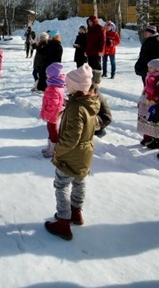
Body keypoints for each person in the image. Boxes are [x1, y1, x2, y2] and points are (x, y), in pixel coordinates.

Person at [44, 64, 100, 241]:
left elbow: (71, 137)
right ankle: (76, 212)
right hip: (84, 154)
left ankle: (63, 221)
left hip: (71, 154)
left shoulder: (77, 108)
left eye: (68, 84)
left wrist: (58, 152)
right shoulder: (90, 103)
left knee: (61, 185)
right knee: (79, 181)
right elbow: (95, 124)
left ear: (75, 87)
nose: (65, 86)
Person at [137, 59, 159, 149]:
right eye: (148, 67)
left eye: (151, 68)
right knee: (145, 118)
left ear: (157, 69)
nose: (149, 69)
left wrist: (156, 96)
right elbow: (145, 88)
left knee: (154, 120)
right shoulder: (149, 76)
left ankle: (156, 139)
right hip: (146, 101)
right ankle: (147, 137)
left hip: (155, 103)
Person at [39, 62, 66, 158]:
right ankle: (49, 146)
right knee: (50, 129)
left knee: (52, 129)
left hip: (52, 113)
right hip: (53, 113)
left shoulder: (54, 88)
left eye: (48, 74)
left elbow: (52, 105)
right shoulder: (56, 85)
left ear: (52, 75)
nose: (46, 75)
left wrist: (47, 114)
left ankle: (53, 149)